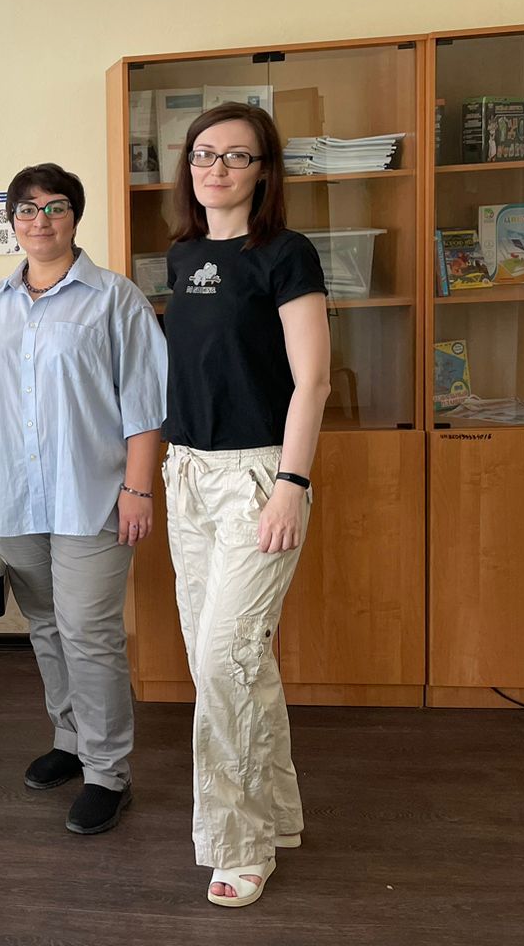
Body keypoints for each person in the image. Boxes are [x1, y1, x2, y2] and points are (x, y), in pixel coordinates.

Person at [0, 163, 166, 835]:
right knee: (44, 624)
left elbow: (145, 405)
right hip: (11, 494)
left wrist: (138, 489)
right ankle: (69, 739)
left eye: (56, 206)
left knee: (89, 632)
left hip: (93, 495)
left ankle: (108, 771)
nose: (41, 220)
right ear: (13, 223)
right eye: (28, 209)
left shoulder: (115, 299)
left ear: (75, 217)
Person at [160, 103, 330, 908]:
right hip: (188, 475)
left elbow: (312, 381)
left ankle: (239, 843)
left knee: (227, 662)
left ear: (264, 171)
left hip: (259, 478)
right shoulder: (183, 254)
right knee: (227, 663)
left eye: (236, 155)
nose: (216, 168)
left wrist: (292, 484)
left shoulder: (286, 254)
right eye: (204, 153)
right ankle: (278, 814)